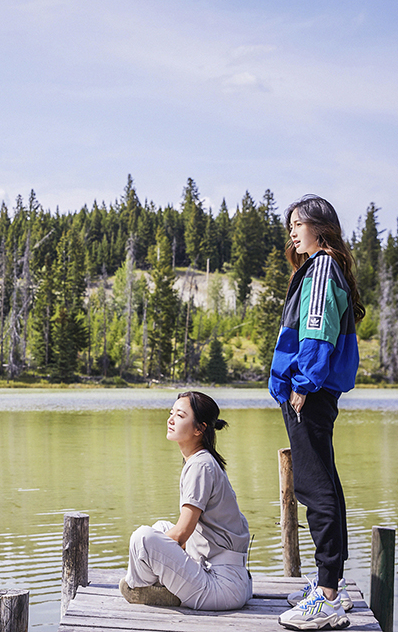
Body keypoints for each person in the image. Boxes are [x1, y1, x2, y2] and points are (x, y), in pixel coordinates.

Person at [268, 194, 364, 631]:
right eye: (289, 225)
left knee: (314, 488)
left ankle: (325, 597)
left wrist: (303, 383)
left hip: (309, 392)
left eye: (298, 224)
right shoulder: (323, 266)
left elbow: (317, 329)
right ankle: (332, 585)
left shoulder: (322, 266)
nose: (292, 232)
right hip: (315, 391)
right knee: (325, 482)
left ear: (321, 228)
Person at [120, 391, 253, 611]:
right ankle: (154, 585)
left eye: (180, 416)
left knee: (142, 539)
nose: (170, 420)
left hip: (221, 586)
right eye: (171, 413)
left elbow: (182, 534)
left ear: (199, 428)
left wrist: (149, 553)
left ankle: (138, 587)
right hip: (230, 580)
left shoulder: (200, 465)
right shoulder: (202, 460)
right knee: (160, 528)